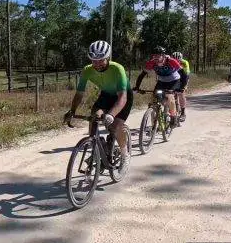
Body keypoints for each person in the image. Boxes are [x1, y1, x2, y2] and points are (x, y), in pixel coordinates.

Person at [63, 40, 133, 169]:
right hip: (106, 95)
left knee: (116, 125)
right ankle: (97, 145)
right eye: (93, 60)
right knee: (94, 116)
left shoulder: (117, 68)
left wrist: (111, 114)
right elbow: (79, 94)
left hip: (122, 96)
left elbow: (122, 97)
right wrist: (72, 111)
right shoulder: (87, 70)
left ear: (107, 57)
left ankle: (124, 154)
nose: (97, 64)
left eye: (100, 60)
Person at [133, 47, 188, 127]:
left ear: (163, 55)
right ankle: (155, 124)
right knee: (154, 98)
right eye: (154, 56)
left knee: (169, 96)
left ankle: (173, 117)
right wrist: (137, 87)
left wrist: (182, 88)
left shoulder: (171, 61)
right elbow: (142, 75)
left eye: (158, 56)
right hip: (162, 81)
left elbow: (184, 74)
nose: (156, 58)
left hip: (174, 80)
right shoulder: (151, 63)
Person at [172, 51, 190, 121]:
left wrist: (184, 86)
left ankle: (183, 113)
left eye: (178, 60)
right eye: (175, 60)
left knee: (181, 94)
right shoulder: (170, 62)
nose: (176, 61)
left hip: (183, 78)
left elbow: (187, 74)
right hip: (174, 78)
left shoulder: (185, 62)